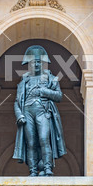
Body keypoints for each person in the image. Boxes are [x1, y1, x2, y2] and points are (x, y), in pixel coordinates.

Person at [12, 45, 67, 176]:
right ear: (28, 64)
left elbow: (58, 96)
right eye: (33, 62)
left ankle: (47, 168)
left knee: (43, 139)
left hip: (43, 110)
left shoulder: (51, 78)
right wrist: (19, 115)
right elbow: (17, 101)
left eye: (38, 62)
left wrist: (43, 91)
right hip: (27, 111)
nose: (36, 64)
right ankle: (33, 170)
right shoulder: (24, 82)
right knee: (31, 142)